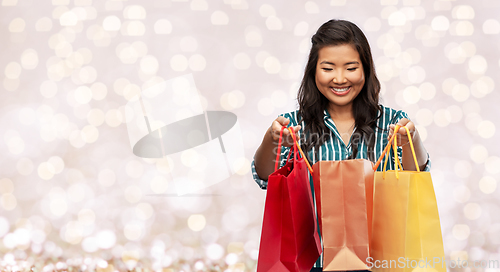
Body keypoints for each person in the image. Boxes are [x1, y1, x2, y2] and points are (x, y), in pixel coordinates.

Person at [251, 19, 430, 271]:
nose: (339, 78)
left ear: (365, 70)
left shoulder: (391, 121)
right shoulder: (294, 125)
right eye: (328, 68)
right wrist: (271, 140)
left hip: (380, 261)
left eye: (350, 67)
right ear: (313, 72)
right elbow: (265, 178)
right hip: (313, 262)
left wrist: (413, 141)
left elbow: (415, 179)